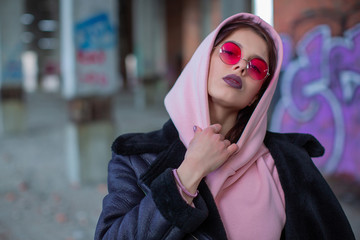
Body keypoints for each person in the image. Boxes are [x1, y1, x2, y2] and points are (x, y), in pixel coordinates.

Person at [95, 13, 355, 240]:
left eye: (257, 67)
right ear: (204, 61)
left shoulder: (287, 164)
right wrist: (188, 174)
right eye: (230, 52)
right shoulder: (135, 158)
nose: (241, 66)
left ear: (258, 94)